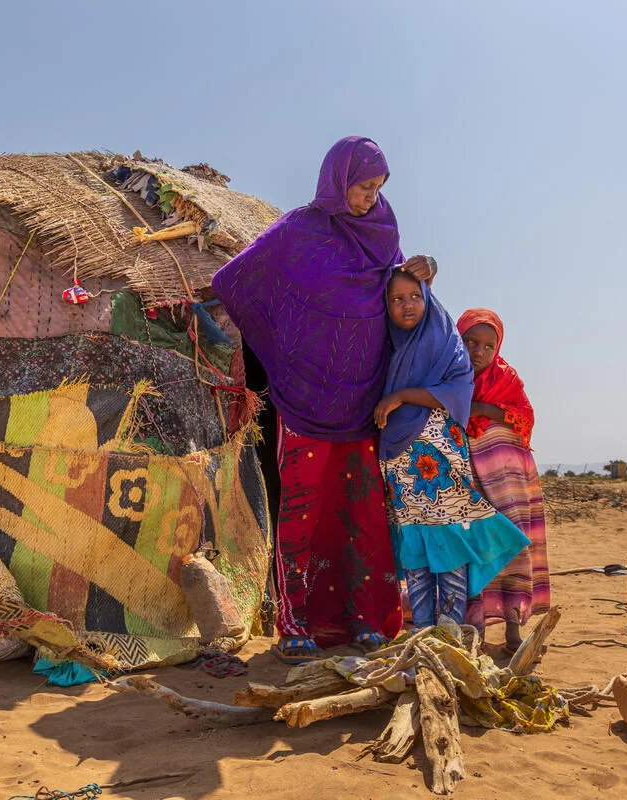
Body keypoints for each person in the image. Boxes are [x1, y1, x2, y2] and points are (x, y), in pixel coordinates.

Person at [211, 136, 436, 664]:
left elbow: (398, 292)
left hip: (364, 404)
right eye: (362, 187)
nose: (368, 198)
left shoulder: (383, 234)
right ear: (338, 179)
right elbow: (236, 279)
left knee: (361, 513)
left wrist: (421, 271)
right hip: (308, 400)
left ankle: (365, 618)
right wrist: (283, 349)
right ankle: (294, 621)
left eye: (378, 188)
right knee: (301, 511)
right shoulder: (299, 231)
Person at [374, 271, 529, 628]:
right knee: (415, 550)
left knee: (452, 542)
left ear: (427, 298)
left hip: (441, 463)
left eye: (414, 295)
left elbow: (459, 394)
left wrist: (400, 396)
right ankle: (424, 636)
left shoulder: (445, 342)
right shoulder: (384, 344)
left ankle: (451, 637)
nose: (406, 305)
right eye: (396, 299)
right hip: (399, 463)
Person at [457, 308, 550, 652]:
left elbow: (524, 419)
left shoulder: (507, 379)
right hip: (470, 481)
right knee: (477, 549)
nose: (478, 351)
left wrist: (480, 409)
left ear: (498, 348)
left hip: (511, 483)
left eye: (487, 345)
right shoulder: (449, 376)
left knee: (514, 545)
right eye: (470, 341)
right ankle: (475, 629)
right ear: (458, 338)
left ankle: (513, 628)